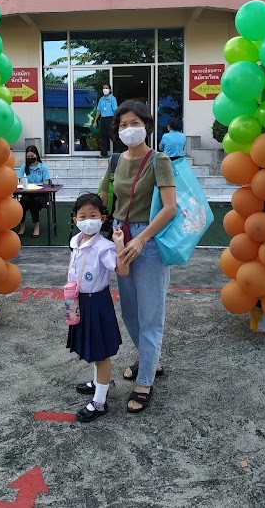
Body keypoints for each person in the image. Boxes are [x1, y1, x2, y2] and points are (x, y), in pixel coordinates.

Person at [100, 99, 176, 414]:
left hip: (149, 240)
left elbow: (170, 208)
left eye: (134, 123)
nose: (129, 129)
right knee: (130, 312)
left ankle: (145, 380)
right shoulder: (115, 161)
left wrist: (142, 239)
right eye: (123, 125)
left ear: (146, 125)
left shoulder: (159, 160)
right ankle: (149, 359)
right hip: (121, 237)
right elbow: (104, 196)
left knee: (150, 314)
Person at [67, 192, 128, 422]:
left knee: (101, 354)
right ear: (75, 219)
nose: (88, 221)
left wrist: (119, 244)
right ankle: (97, 382)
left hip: (97, 303)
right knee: (92, 348)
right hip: (80, 301)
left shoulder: (105, 247)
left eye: (93, 215)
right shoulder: (76, 241)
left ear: (102, 219)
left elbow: (122, 271)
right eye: (82, 216)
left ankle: (100, 402)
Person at [17, 145, 51, 238]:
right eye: (28, 157)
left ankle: (36, 226)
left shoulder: (43, 167)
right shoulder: (24, 167)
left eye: (32, 156)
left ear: (36, 155)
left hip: (40, 194)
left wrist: (38, 187)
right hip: (27, 193)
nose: (30, 158)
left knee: (34, 202)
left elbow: (46, 183)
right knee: (23, 201)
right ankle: (22, 226)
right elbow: (20, 182)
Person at [93, 83, 118, 157]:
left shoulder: (112, 98)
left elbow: (115, 110)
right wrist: (95, 121)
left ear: (110, 90)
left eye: (106, 88)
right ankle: (103, 154)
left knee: (112, 135)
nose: (105, 89)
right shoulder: (101, 99)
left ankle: (118, 152)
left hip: (110, 118)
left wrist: (116, 120)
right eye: (104, 88)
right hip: (103, 119)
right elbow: (99, 111)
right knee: (103, 136)